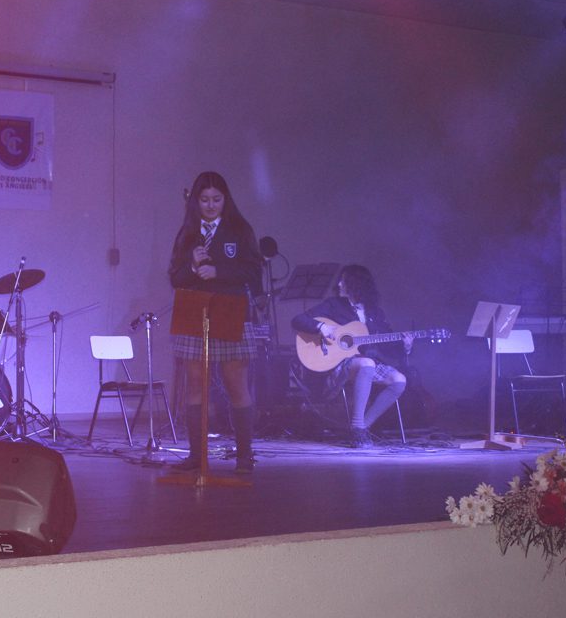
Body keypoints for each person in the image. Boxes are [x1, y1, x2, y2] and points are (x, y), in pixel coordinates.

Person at [168, 171, 263, 474]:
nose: (210, 205)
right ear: (196, 201)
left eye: (216, 200)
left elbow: (253, 272)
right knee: (195, 384)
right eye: (205, 200)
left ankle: (244, 456)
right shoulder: (187, 233)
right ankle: (196, 456)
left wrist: (218, 271)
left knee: (236, 384)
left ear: (226, 200)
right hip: (194, 312)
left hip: (231, 310)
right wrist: (192, 266)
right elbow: (174, 277)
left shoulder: (240, 229)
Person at [291, 264, 409, 448]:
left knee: (399, 380)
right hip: (337, 367)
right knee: (367, 363)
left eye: (343, 281)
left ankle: (361, 428)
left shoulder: (375, 313)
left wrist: (405, 347)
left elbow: (388, 348)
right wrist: (321, 327)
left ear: (356, 284)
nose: (338, 284)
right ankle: (357, 426)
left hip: (365, 365)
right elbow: (298, 320)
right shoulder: (334, 305)